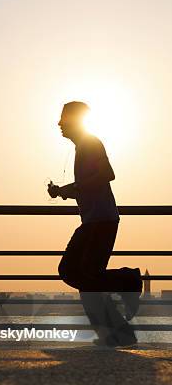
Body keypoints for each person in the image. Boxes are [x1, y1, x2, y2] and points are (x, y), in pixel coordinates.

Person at [48, 101, 142, 347]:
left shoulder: (91, 143)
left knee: (77, 272)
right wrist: (63, 191)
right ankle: (117, 334)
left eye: (64, 120)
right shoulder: (83, 147)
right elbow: (90, 184)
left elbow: (107, 174)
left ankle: (128, 280)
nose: (59, 125)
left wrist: (75, 188)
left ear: (75, 122)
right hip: (94, 220)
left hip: (101, 220)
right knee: (80, 274)